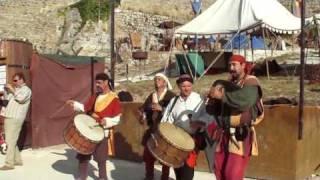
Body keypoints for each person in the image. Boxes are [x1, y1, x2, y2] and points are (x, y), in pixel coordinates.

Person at [206, 54, 264, 180]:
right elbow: (217, 109)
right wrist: (211, 100)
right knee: (219, 170)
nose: (231, 68)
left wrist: (221, 96)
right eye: (229, 65)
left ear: (243, 65)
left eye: (234, 65)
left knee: (232, 175)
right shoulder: (227, 84)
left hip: (240, 135)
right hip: (223, 134)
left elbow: (244, 101)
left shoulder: (251, 81)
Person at [66, 73, 121, 180]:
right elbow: (86, 108)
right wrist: (75, 104)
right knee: (83, 154)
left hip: (102, 131)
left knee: (101, 158)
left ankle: (103, 178)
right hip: (89, 129)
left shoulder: (114, 98)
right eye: (96, 83)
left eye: (99, 83)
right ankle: (82, 177)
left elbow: (117, 118)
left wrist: (107, 121)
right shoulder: (95, 96)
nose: (97, 85)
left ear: (106, 82)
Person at [161, 74, 212, 180]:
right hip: (176, 140)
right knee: (178, 169)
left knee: (188, 170)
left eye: (189, 85)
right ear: (179, 86)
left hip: (192, 140)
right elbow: (166, 120)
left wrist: (200, 122)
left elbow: (208, 115)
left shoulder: (199, 98)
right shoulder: (174, 101)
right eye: (183, 86)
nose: (186, 88)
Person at [138, 73, 176, 180]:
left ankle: (165, 177)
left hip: (165, 130)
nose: (156, 81)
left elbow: (174, 112)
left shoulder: (171, 96)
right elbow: (143, 109)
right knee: (148, 155)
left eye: (159, 79)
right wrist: (143, 115)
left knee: (165, 157)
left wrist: (162, 109)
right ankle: (149, 176)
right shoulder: (152, 95)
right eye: (155, 80)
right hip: (152, 129)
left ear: (165, 82)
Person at [0, 72, 32, 170]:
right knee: (11, 139)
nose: (14, 82)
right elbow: (6, 100)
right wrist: (6, 91)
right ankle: (17, 160)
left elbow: (20, 99)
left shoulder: (26, 90)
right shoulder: (16, 89)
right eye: (13, 81)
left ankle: (9, 164)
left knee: (10, 140)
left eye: (15, 80)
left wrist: (12, 90)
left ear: (22, 80)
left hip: (16, 117)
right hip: (9, 116)